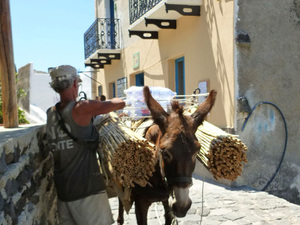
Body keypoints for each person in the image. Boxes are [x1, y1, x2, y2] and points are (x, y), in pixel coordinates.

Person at [46, 65, 125, 225]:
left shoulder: (50, 113)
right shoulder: (82, 108)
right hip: (87, 191)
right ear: (75, 83)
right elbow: (119, 103)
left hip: (64, 193)